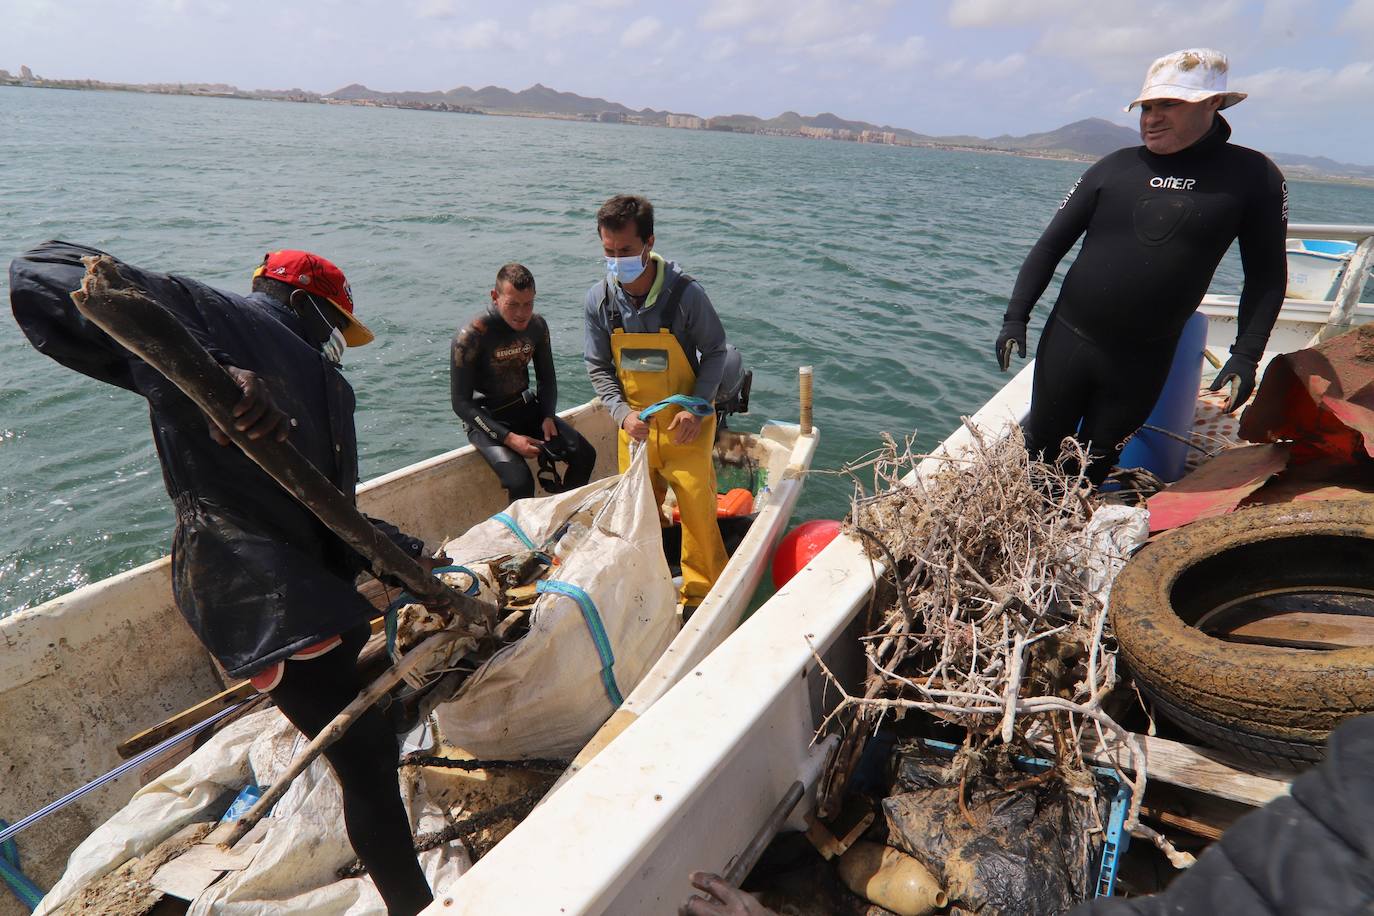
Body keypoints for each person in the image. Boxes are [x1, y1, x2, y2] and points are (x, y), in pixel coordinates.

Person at [10, 243, 438, 916]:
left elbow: (329, 510)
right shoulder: (207, 311)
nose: (333, 343)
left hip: (308, 587)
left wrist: (405, 553)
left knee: (367, 738)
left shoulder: (329, 385)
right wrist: (209, 369)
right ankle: (416, 905)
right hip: (257, 587)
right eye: (332, 323)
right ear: (297, 299)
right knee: (367, 763)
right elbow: (40, 271)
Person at [996, 48, 1288, 486]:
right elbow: (1048, 248)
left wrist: (1246, 354)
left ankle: (1068, 527)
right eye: (1147, 106)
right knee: (1038, 454)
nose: (1152, 118)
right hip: (1070, 339)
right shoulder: (1114, 168)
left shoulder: (1255, 177)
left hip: (1144, 356)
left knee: (1094, 464)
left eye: (1170, 104)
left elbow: (1265, 275)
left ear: (1213, 103)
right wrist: (1015, 318)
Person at [584, 194, 730, 608]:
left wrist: (698, 407)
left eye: (625, 251)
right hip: (636, 430)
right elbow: (598, 367)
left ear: (648, 243)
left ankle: (702, 596)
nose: (616, 261)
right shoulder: (599, 301)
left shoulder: (687, 296)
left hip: (688, 427)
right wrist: (621, 414)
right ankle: (641, 590)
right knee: (635, 515)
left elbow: (716, 351)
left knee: (699, 514)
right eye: (608, 252)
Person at [450, 262, 595, 502]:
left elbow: (546, 378)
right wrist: (509, 438)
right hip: (486, 419)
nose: (521, 313)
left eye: (528, 304)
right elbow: (461, 403)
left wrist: (547, 414)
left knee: (584, 454)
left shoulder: (537, 326)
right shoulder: (471, 336)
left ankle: (563, 519)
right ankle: (520, 538)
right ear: (495, 297)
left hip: (525, 409)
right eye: (513, 304)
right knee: (520, 481)